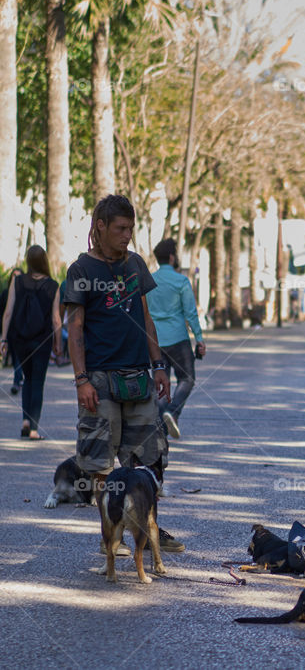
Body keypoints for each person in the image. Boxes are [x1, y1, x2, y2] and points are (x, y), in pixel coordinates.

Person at [62, 194, 183, 554]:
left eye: (131, 227)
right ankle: (110, 537)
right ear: (100, 226)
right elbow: (76, 328)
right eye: (120, 228)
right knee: (101, 466)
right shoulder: (81, 271)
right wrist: (82, 379)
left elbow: (147, 319)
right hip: (99, 381)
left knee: (149, 462)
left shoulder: (135, 265)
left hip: (140, 378)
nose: (127, 234)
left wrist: (159, 366)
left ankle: (149, 531)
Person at [0, 247, 62, 439]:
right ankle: (34, 429)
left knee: (27, 379)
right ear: (44, 261)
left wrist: (3, 338)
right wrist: (58, 343)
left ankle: (25, 421)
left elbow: (8, 311)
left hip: (20, 339)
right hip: (42, 341)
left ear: (28, 261)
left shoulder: (17, 281)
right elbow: (55, 319)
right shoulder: (53, 285)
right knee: (38, 381)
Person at [148, 238, 207, 440]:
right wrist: (199, 338)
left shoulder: (149, 280)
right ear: (172, 257)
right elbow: (190, 313)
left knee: (160, 382)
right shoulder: (181, 281)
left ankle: (161, 424)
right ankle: (172, 412)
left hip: (155, 341)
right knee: (187, 379)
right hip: (178, 339)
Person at [0, 268, 24, 394]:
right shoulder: (5, 293)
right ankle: (18, 380)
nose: (16, 278)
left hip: (25, 332)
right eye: (14, 276)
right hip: (11, 332)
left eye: (18, 276)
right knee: (16, 357)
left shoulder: (25, 294)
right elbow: (3, 313)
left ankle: (17, 381)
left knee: (19, 358)